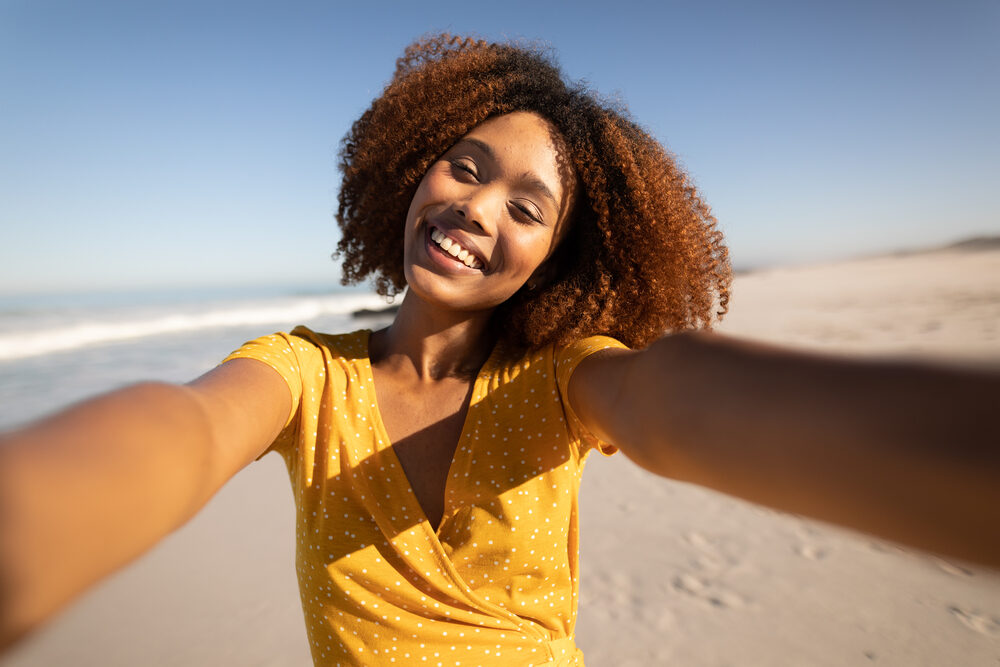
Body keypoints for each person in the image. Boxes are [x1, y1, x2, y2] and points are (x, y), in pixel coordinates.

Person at [0, 34, 997, 664]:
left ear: (560, 254)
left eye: (525, 206)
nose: (476, 209)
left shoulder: (567, 380)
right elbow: (185, 429)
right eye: (463, 168)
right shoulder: (304, 374)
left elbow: (678, 404)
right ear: (410, 165)